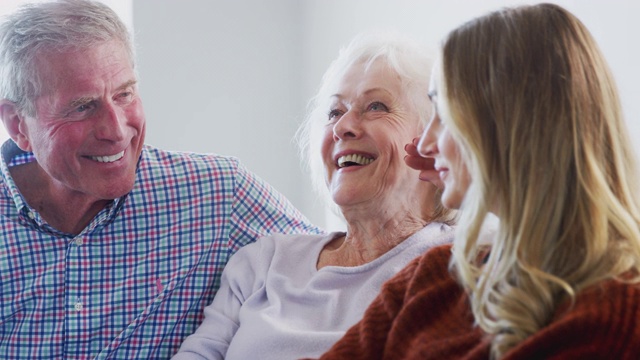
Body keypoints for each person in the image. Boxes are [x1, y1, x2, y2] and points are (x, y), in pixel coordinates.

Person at [315, 3, 640, 359]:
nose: (425, 143)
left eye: (444, 112)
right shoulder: (435, 278)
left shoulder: (617, 314)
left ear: (513, 125)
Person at [0, 0, 320, 358]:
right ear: (18, 124)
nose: (117, 130)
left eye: (125, 94)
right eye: (82, 106)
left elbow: (344, 270)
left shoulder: (217, 196)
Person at [172, 32, 456, 359]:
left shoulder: (466, 259)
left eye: (376, 106)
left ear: (436, 140)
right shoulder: (264, 262)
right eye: (335, 112)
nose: (343, 126)